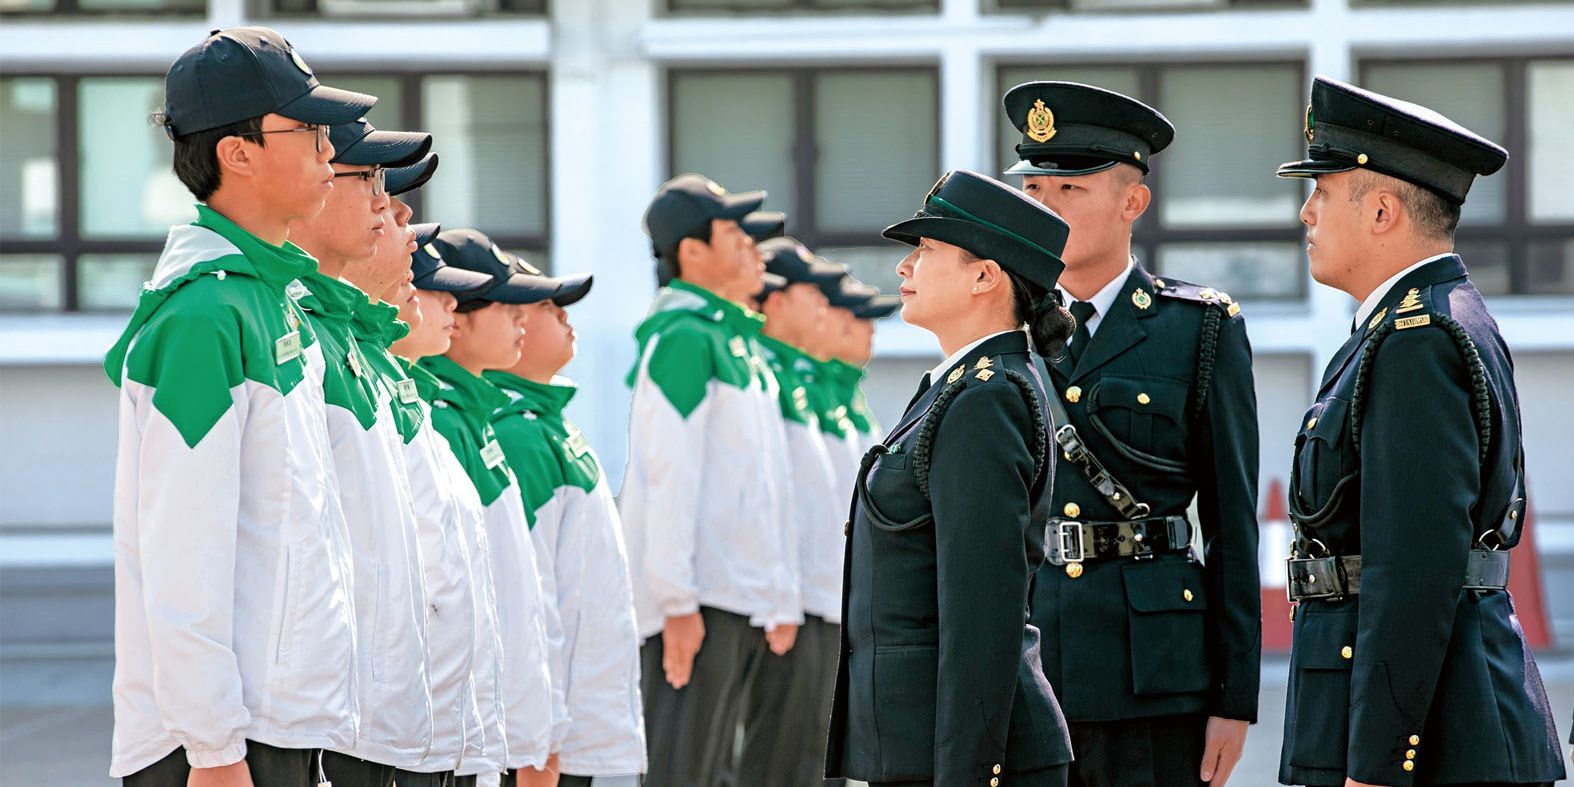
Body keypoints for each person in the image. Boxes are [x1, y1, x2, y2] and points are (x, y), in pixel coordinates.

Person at [1274, 76, 1567, 787]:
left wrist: (1377, 763)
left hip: (1432, 744)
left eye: (1322, 191)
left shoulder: (1419, 338)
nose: (1305, 213)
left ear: (1381, 210)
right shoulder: (1416, 322)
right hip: (1433, 726)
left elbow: (1413, 570)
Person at [103, 27, 375, 787]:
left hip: (277, 726)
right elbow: (182, 557)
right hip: (218, 749)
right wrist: (215, 748)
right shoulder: (204, 319)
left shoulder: (271, 304)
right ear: (238, 153)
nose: (330, 151)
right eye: (310, 130)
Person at [1000, 80, 1261, 787]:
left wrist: (1236, 698)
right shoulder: (999, 329)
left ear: (1132, 201)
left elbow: (1233, 525)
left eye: (1068, 191)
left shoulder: (1199, 329)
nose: (1045, 209)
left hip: (1155, 676)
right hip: (1026, 662)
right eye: (1034, 191)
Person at [826, 169, 1076, 786]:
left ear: (984, 276)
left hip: (957, 755)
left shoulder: (984, 399)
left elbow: (980, 610)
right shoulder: (957, 388)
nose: (905, 269)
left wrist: (970, 771)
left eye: (928, 250)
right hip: (920, 745)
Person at [622, 173, 800, 787]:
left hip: (736, 599)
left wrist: (777, 595)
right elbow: (668, 475)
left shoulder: (734, 343)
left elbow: (763, 490)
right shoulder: (682, 339)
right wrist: (675, 602)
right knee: (682, 772)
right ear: (692, 253)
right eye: (734, 234)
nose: (753, 247)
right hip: (700, 603)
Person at [287, 115, 436, 787]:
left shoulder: (361, 349)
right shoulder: (276, 328)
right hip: (335, 720)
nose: (389, 209)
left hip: (390, 713)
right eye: (370, 181)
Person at [486, 274, 649, 787]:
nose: (564, 317)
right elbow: (527, 600)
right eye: (544, 308)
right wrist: (541, 742)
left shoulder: (548, 423)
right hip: (544, 738)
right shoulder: (517, 432)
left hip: (570, 725)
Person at [424, 228, 572, 787]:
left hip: (499, 722)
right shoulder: (445, 418)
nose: (522, 320)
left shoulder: (475, 416)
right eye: (506, 306)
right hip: (464, 729)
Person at [389, 240, 511, 787]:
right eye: (441, 294)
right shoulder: (436, 412)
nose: (450, 312)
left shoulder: (445, 411)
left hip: (455, 717)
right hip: (411, 722)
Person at [737, 237, 848, 787]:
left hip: (819, 597)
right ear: (775, 301)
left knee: (810, 756)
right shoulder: (766, 374)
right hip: (791, 601)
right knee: (777, 757)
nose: (827, 310)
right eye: (814, 295)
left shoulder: (799, 378)